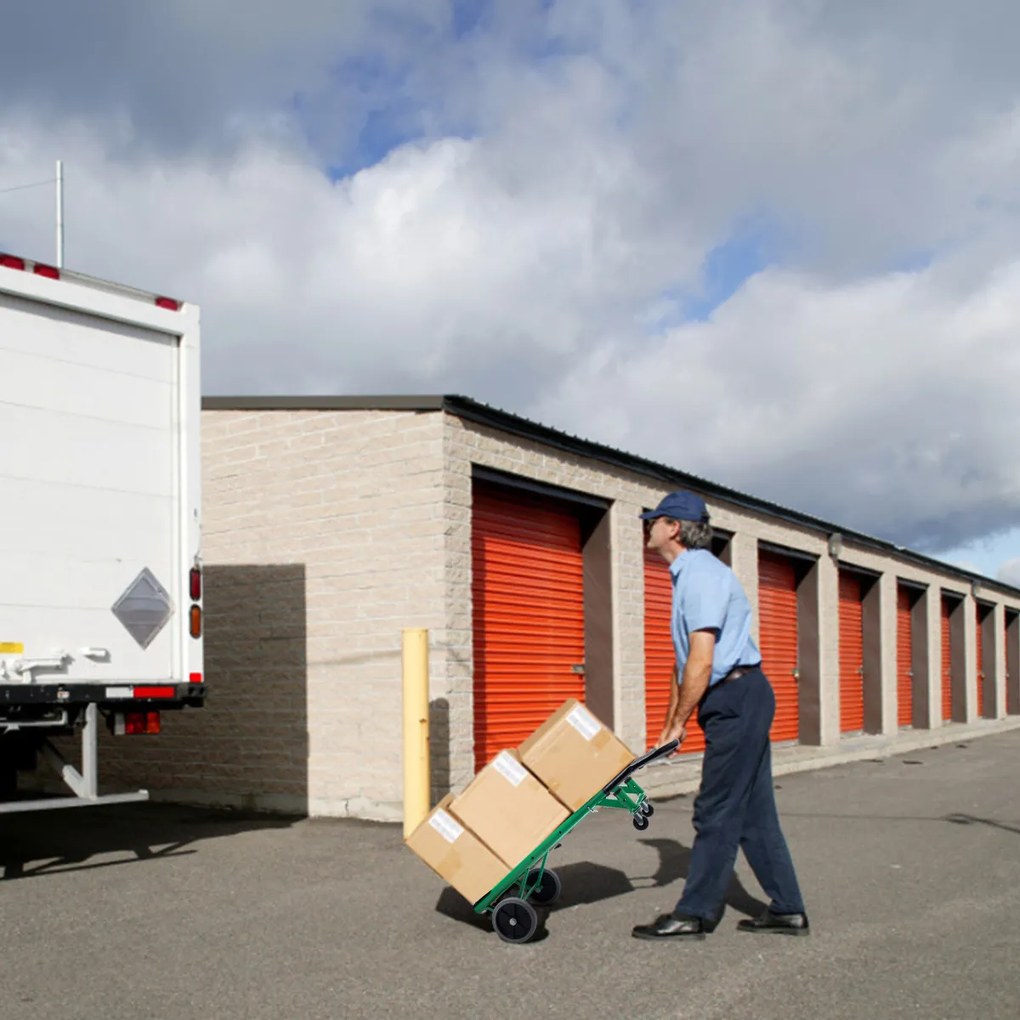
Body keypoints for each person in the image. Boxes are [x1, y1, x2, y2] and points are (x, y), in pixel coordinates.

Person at [631, 490, 809, 941]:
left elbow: (703, 660)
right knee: (753, 815)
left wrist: (679, 722)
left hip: (736, 697)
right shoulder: (686, 575)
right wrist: (673, 722)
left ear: (674, 527)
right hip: (735, 697)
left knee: (714, 810)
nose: (647, 527)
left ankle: (695, 913)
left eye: (653, 520)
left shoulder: (702, 574)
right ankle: (787, 909)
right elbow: (684, 662)